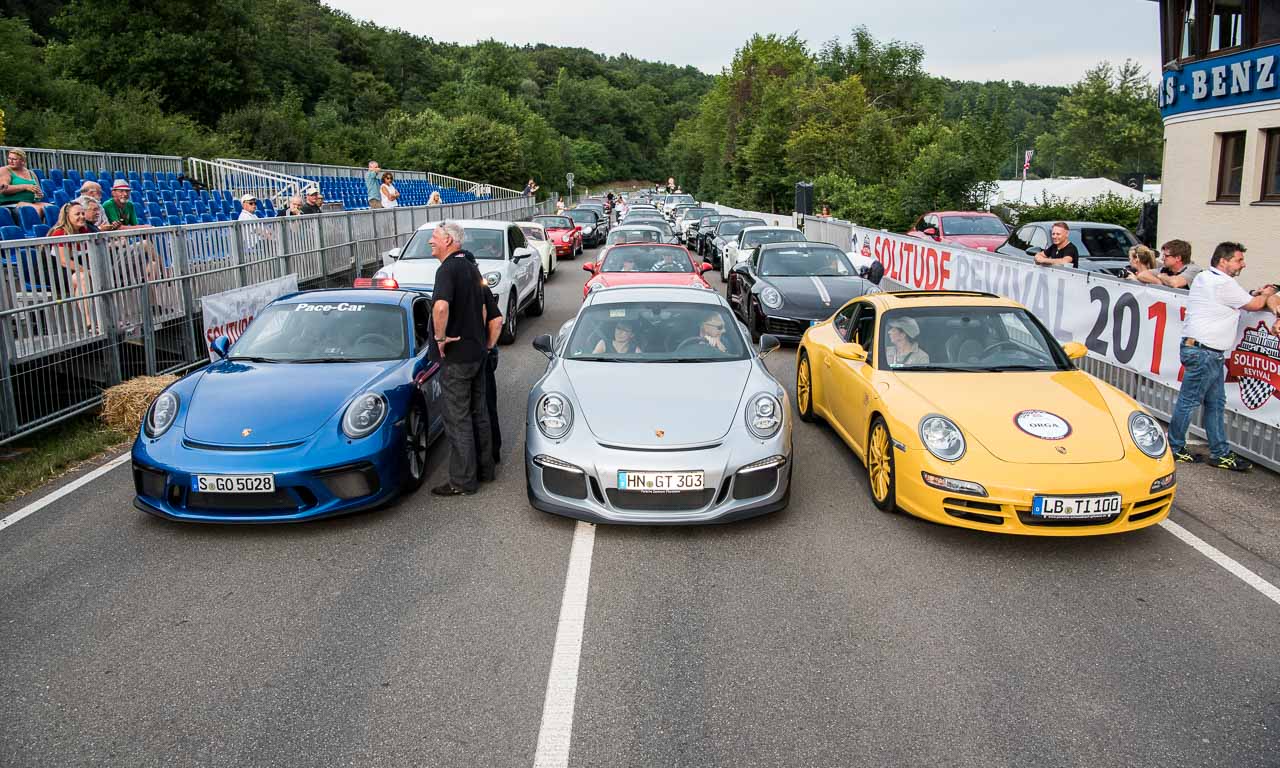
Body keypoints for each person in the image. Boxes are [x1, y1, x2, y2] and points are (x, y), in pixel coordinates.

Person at [1168, 242, 1277, 471]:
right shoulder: (1223, 283)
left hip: (1205, 351)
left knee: (1215, 403)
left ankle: (1219, 452)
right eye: (1239, 260)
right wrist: (1268, 293)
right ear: (1223, 261)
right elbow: (1256, 304)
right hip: (1205, 352)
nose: (1243, 264)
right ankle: (1175, 447)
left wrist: (1256, 295)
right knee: (1190, 402)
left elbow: (1240, 299)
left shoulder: (1206, 277)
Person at [429, 221, 493, 495]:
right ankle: (484, 470)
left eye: (434, 237)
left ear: (448, 240)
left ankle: (462, 481)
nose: (431, 241)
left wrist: (440, 339)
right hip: (476, 352)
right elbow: (484, 310)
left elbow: (441, 306)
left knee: (457, 420)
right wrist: (481, 341)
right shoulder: (470, 266)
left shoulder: (447, 269)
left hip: (456, 358)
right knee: (479, 414)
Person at [462, 250, 504, 467]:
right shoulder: (481, 285)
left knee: (476, 407)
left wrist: (487, 347)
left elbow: (495, 319)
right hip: (486, 352)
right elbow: (497, 319)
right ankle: (492, 453)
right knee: (488, 404)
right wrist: (490, 347)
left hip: (476, 354)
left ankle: (482, 457)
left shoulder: (471, 287)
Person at [47, 201, 96, 327]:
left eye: (83, 213)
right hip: (57, 271)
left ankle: (94, 321)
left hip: (75, 270)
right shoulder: (59, 233)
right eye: (77, 214)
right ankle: (89, 321)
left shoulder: (83, 230)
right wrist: (88, 271)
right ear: (67, 217)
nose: (82, 216)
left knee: (84, 279)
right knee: (83, 277)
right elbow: (64, 261)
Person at [0, 148, 54, 218]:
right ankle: (36, 228)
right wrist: (25, 186)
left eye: (14, 159)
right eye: (9, 158)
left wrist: (39, 194)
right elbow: (3, 189)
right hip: (11, 203)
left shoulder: (31, 173)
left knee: (52, 208)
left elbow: (38, 190)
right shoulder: (5, 170)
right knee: (34, 209)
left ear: (23, 161)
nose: (11, 161)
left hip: (30, 202)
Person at [1136, 239, 1203, 289]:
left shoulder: (1193, 269)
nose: (1162, 259)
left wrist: (1162, 277)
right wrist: (1158, 282)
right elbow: (1142, 275)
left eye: (1166, 256)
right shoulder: (1166, 269)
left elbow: (1175, 283)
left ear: (1178, 258)